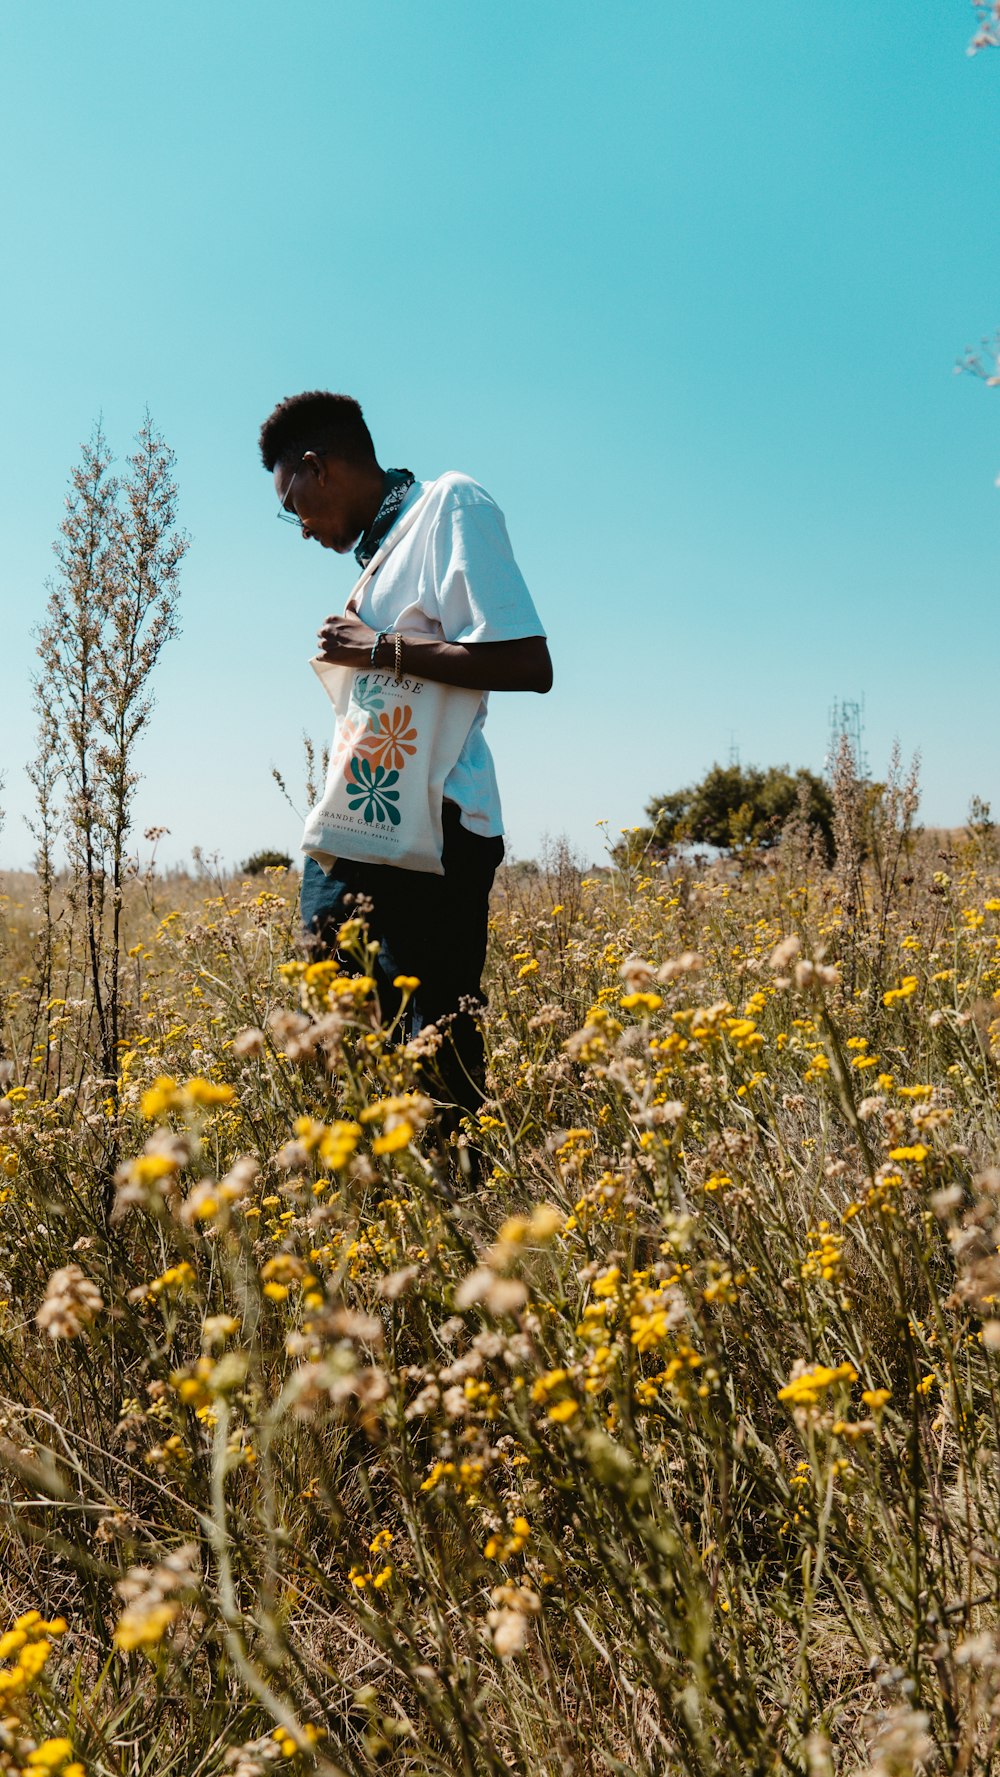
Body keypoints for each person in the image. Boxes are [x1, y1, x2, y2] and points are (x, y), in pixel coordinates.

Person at [259, 389, 551, 1137]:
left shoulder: (449, 504)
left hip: (442, 820)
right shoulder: (378, 556)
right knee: (330, 1002)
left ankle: (464, 1210)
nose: (300, 530)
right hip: (360, 817)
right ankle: (382, 1186)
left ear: (320, 469)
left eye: (295, 507)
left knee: (438, 1041)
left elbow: (526, 660)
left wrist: (379, 648)